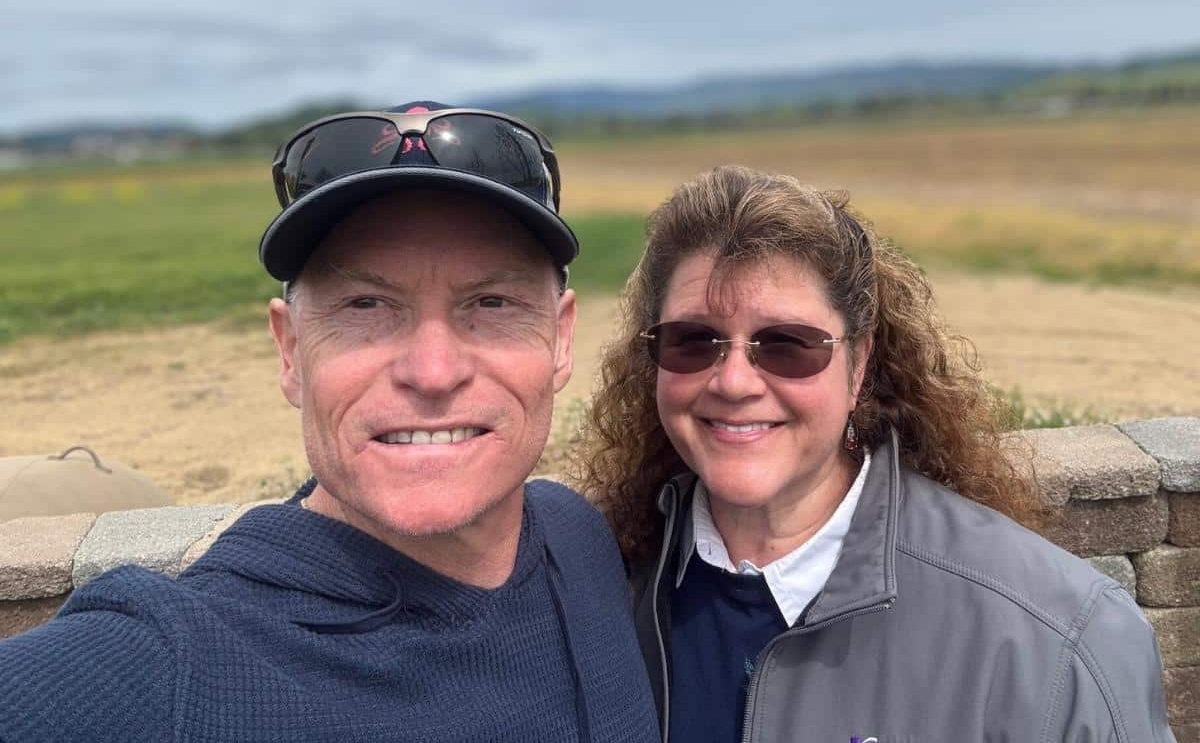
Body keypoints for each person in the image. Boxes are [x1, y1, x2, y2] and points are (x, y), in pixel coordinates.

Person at [0, 102, 660, 743]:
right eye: (366, 304)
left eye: (492, 302)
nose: (432, 372)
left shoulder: (576, 539)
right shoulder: (173, 664)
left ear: (561, 340)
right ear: (291, 351)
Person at [572, 165, 1176, 742]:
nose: (734, 382)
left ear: (858, 365)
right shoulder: (594, 591)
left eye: (786, 344)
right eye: (693, 341)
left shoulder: (1056, 639)